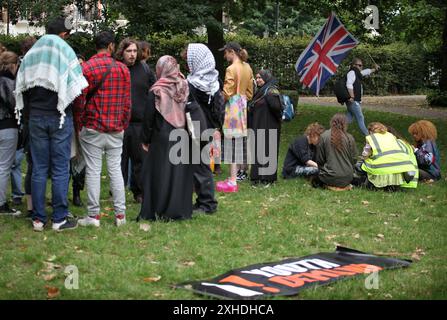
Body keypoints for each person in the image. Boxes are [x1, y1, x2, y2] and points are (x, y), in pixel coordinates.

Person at [15, 17, 88, 231]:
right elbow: (76, 87)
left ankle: (37, 219)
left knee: (37, 167)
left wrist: (29, 116)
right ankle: (59, 218)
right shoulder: (64, 51)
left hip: (36, 118)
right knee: (59, 168)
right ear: (63, 34)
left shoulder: (32, 54)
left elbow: (22, 88)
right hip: (59, 116)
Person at [74, 31, 131, 228]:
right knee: (116, 170)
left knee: (93, 170)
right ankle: (120, 216)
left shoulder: (87, 67)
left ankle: (93, 216)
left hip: (93, 127)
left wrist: (80, 122)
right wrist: (123, 123)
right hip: (116, 128)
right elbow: (126, 102)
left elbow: (80, 100)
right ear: (111, 46)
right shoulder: (123, 69)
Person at [138, 55, 196, 221]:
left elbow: (149, 118)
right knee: (179, 175)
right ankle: (180, 210)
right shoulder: (185, 85)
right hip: (182, 134)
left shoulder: (157, 90)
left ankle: (160, 210)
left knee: (160, 174)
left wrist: (145, 140)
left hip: (162, 136)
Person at [116, 38, 156, 203]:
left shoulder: (145, 69)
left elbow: (153, 91)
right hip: (119, 122)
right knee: (119, 160)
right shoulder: (117, 68)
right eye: (129, 51)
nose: (132, 55)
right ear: (122, 52)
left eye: (134, 51)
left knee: (139, 160)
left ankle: (139, 192)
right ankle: (118, 191)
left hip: (139, 122)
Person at [185, 43, 220, 214]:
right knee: (201, 165)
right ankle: (202, 201)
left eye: (188, 60)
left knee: (200, 167)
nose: (187, 63)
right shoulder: (214, 81)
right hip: (209, 127)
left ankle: (207, 203)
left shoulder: (192, 83)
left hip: (196, 128)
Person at [216, 41, 254, 192]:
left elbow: (227, 92)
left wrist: (219, 96)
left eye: (225, 53)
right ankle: (234, 176)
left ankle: (232, 181)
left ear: (231, 52)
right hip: (242, 106)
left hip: (232, 108)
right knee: (237, 142)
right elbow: (250, 93)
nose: (225, 56)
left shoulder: (231, 69)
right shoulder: (248, 67)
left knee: (231, 143)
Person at [355, 122, 417, 190]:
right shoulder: (391, 136)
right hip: (399, 167)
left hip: (380, 168)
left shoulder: (371, 138)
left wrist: (363, 157)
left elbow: (365, 154)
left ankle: (369, 184)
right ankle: (392, 186)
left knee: (361, 165)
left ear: (370, 131)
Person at [248, 69, 282, 185]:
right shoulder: (261, 91)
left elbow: (277, 108)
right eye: (256, 78)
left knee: (268, 150)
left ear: (266, 78)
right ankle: (257, 176)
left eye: (260, 78)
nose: (258, 80)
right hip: (259, 126)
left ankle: (268, 178)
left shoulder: (271, 90)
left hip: (269, 126)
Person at [0, 51, 22, 216]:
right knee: (4, 167)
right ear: (14, 66)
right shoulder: (8, 82)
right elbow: (15, 104)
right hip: (7, 126)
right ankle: (1, 204)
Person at [313, 114, 358, 189]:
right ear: (345, 124)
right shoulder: (350, 138)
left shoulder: (324, 136)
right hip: (348, 177)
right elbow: (354, 159)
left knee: (314, 178)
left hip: (329, 177)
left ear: (331, 122)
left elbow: (320, 160)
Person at [345, 58, 379, 136]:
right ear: (354, 65)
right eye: (359, 65)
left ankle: (337, 132)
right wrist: (352, 97)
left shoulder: (357, 73)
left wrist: (374, 69)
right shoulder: (352, 72)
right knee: (360, 118)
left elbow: (366, 72)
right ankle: (370, 138)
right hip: (353, 101)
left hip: (353, 101)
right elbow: (349, 84)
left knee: (348, 119)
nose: (361, 67)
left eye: (362, 66)